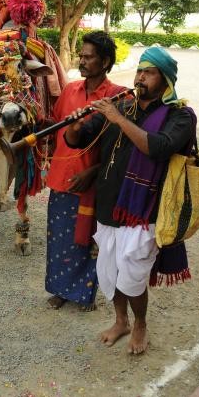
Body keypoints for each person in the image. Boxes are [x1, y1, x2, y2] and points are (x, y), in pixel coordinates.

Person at [65, 47, 194, 354]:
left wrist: (116, 117)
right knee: (108, 271)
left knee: (133, 273)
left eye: (148, 73)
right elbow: (78, 140)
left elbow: (158, 147)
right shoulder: (122, 106)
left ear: (166, 80)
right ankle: (120, 319)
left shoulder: (180, 115)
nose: (140, 78)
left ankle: (140, 324)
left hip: (144, 210)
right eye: (139, 71)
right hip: (109, 204)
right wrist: (75, 126)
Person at [44, 31, 125, 312]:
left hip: (94, 182)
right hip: (61, 176)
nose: (82, 61)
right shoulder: (70, 90)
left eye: (89, 57)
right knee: (59, 238)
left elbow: (119, 148)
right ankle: (59, 289)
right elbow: (56, 126)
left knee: (89, 238)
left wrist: (92, 171)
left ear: (105, 61)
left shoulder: (116, 97)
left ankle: (83, 293)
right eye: (81, 56)